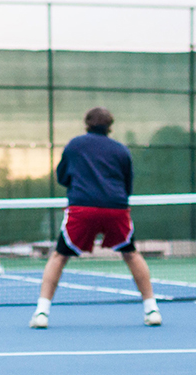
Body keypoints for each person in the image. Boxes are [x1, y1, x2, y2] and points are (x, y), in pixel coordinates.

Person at [29, 107, 161, 328]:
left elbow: (62, 176)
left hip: (83, 208)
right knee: (131, 254)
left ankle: (41, 313)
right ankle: (152, 309)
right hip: (115, 208)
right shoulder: (121, 150)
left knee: (59, 257)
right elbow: (127, 185)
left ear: (87, 124)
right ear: (110, 125)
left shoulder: (74, 145)